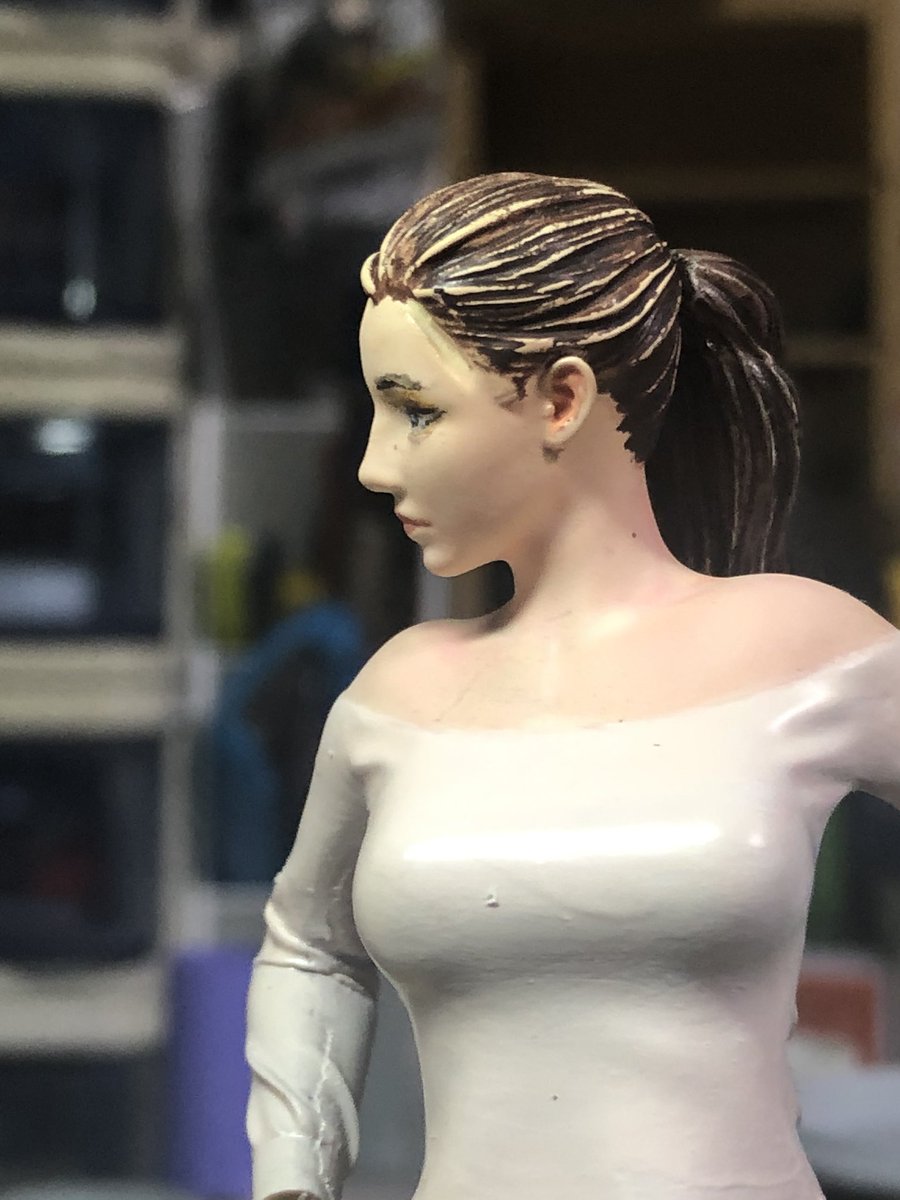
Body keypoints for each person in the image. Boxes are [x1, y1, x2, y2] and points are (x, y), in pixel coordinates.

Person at [245, 172, 900, 1200]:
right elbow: (309, 948)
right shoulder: (399, 696)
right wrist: (292, 1173)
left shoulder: (805, 650)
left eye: (415, 411)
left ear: (561, 399)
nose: (373, 464)